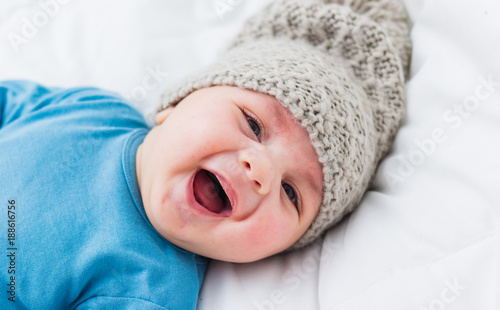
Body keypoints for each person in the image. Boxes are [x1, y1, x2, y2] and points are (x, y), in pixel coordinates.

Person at [0, 0, 411, 308]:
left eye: (291, 193)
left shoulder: (149, 288)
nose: (261, 171)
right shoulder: (90, 110)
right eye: (253, 124)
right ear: (176, 105)